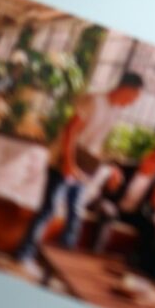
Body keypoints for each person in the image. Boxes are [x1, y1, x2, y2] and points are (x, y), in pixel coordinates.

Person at [15, 72, 144, 270]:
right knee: (49, 209)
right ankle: (24, 255)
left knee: (75, 212)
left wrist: (112, 169)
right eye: (134, 97)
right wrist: (68, 163)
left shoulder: (115, 111)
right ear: (126, 89)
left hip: (84, 167)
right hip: (63, 161)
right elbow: (70, 130)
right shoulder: (94, 101)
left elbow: (96, 144)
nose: (133, 102)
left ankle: (61, 265)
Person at [90, 146, 155, 277]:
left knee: (153, 228)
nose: (150, 160)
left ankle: (146, 270)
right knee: (108, 212)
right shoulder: (128, 168)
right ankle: (95, 253)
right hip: (114, 206)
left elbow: (152, 212)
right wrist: (114, 171)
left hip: (133, 215)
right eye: (150, 156)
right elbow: (111, 162)